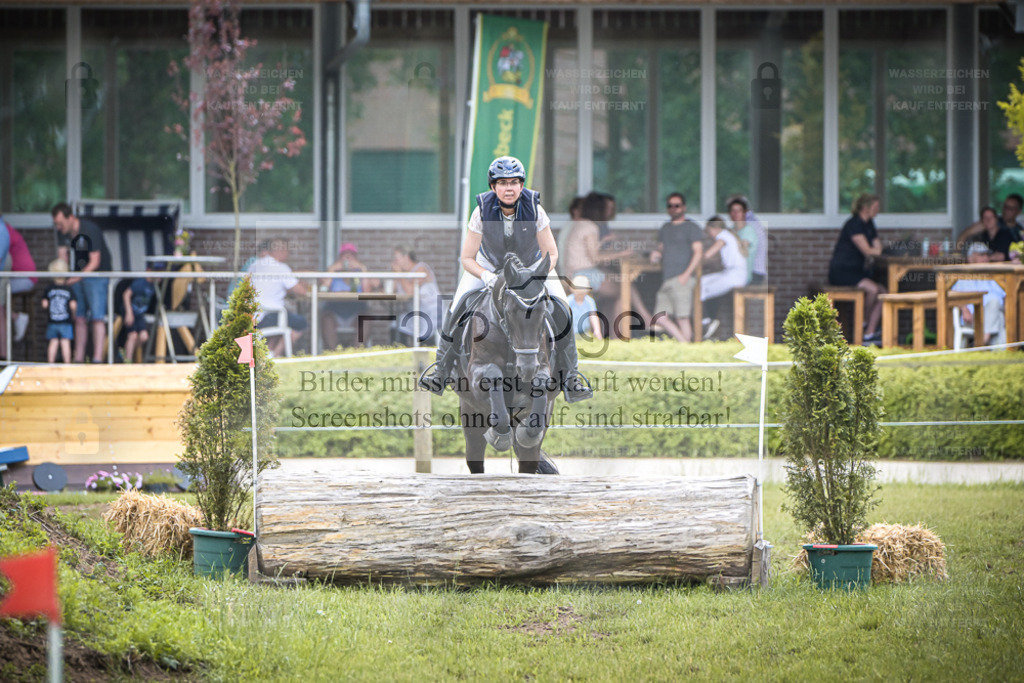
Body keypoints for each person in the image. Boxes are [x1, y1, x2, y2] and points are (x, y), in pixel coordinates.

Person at [418, 155, 592, 402]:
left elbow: (552, 253)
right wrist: (486, 276)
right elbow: (467, 258)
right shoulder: (481, 211)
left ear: (521, 185)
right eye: (502, 183)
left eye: (513, 182)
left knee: (563, 307)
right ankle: (441, 369)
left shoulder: (536, 209)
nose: (508, 188)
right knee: (457, 305)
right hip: (490, 267)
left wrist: (537, 275)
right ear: (493, 186)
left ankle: (572, 377)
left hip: (532, 267)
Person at [52, 202, 113, 363]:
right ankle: (78, 359)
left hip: (97, 275)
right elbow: (62, 258)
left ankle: (97, 359)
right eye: (56, 224)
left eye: (61, 223)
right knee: (78, 317)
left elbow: (95, 262)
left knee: (97, 317)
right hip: (77, 275)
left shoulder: (89, 230)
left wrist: (74, 278)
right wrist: (61, 277)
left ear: (70, 217)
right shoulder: (62, 232)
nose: (58, 227)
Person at [828, 194, 886, 345]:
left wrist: (876, 249)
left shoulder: (869, 224)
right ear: (865, 208)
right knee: (873, 289)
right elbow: (868, 250)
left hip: (857, 272)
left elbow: (878, 248)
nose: (878, 210)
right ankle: (864, 322)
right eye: (875, 207)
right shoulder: (853, 224)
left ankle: (869, 333)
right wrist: (875, 249)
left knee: (884, 292)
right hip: (842, 272)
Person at [649, 192, 704, 343]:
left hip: (683, 278)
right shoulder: (665, 228)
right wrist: (656, 253)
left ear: (684, 207)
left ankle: (686, 353)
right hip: (667, 278)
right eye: (670, 206)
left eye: (677, 205)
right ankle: (685, 346)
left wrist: (686, 275)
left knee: (682, 317)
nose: (673, 208)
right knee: (660, 317)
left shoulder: (692, 227)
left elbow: (698, 253)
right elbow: (661, 248)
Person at [246, 238, 308, 356]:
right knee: (301, 323)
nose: (288, 254)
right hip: (268, 316)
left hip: (250, 315)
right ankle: (276, 355)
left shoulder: (254, 265)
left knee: (281, 323)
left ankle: (267, 354)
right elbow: (301, 291)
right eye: (287, 250)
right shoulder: (281, 268)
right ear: (282, 250)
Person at [319, 242, 377, 350]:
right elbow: (323, 290)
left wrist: (363, 268)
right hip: (334, 312)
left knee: (366, 318)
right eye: (345, 256)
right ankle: (334, 353)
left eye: (351, 256)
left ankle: (355, 352)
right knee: (326, 319)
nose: (348, 259)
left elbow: (367, 292)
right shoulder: (334, 273)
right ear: (340, 258)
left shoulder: (359, 274)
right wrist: (331, 269)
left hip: (356, 313)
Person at [700, 216, 748, 337]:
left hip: (735, 276)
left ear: (715, 228)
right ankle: (710, 319)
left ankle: (707, 321)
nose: (708, 234)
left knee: (700, 289)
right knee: (701, 281)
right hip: (732, 273)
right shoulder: (728, 235)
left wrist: (696, 259)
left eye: (708, 231)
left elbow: (708, 255)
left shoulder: (723, 237)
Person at [952, 243, 1006, 347]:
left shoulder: (994, 277)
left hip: (992, 317)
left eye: (987, 255)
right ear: (971, 258)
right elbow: (952, 297)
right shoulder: (963, 277)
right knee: (999, 318)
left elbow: (1005, 297)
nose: (985, 258)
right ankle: (993, 349)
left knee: (996, 309)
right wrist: (964, 309)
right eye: (981, 255)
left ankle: (983, 341)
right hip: (972, 319)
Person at [391, 245, 442, 344]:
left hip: (430, 312)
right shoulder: (403, 274)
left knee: (414, 328)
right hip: (414, 312)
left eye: (397, 259)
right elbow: (393, 291)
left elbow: (410, 290)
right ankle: (400, 353)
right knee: (395, 324)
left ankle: (421, 350)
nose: (395, 262)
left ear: (406, 257)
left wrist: (400, 274)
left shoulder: (420, 268)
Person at [1, 218, 37, 345]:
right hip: (19, 276)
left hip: (24, 278)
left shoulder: (4, 233)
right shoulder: (8, 230)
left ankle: (16, 317)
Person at [957, 193, 1023, 249]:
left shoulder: (1020, 231)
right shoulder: (991, 222)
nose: (1006, 211)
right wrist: (956, 254)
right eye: (1005, 207)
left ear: (1018, 211)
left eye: (1010, 208)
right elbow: (964, 234)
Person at [41, 259, 76, 364]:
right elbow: (73, 305)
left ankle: (50, 363)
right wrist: (73, 314)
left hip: (53, 321)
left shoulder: (49, 289)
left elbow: (44, 304)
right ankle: (67, 363)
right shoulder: (68, 289)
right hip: (66, 322)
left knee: (53, 342)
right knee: (65, 343)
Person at [726, 196, 767, 284]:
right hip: (747, 271)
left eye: (738, 210)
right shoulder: (738, 226)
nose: (735, 213)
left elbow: (743, 253)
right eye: (732, 210)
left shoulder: (750, 225)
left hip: (754, 273)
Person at [121, 266, 156, 363]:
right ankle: (127, 361)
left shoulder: (154, 285)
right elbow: (126, 294)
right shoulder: (140, 282)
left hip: (140, 314)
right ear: (149, 271)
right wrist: (129, 312)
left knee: (144, 336)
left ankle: (125, 351)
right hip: (130, 310)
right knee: (133, 335)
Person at [567, 274, 603, 341]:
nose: (580, 296)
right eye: (578, 293)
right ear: (572, 289)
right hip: (571, 333)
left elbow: (593, 316)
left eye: (582, 294)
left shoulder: (589, 301)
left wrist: (597, 330)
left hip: (584, 332)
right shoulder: (569, 301)